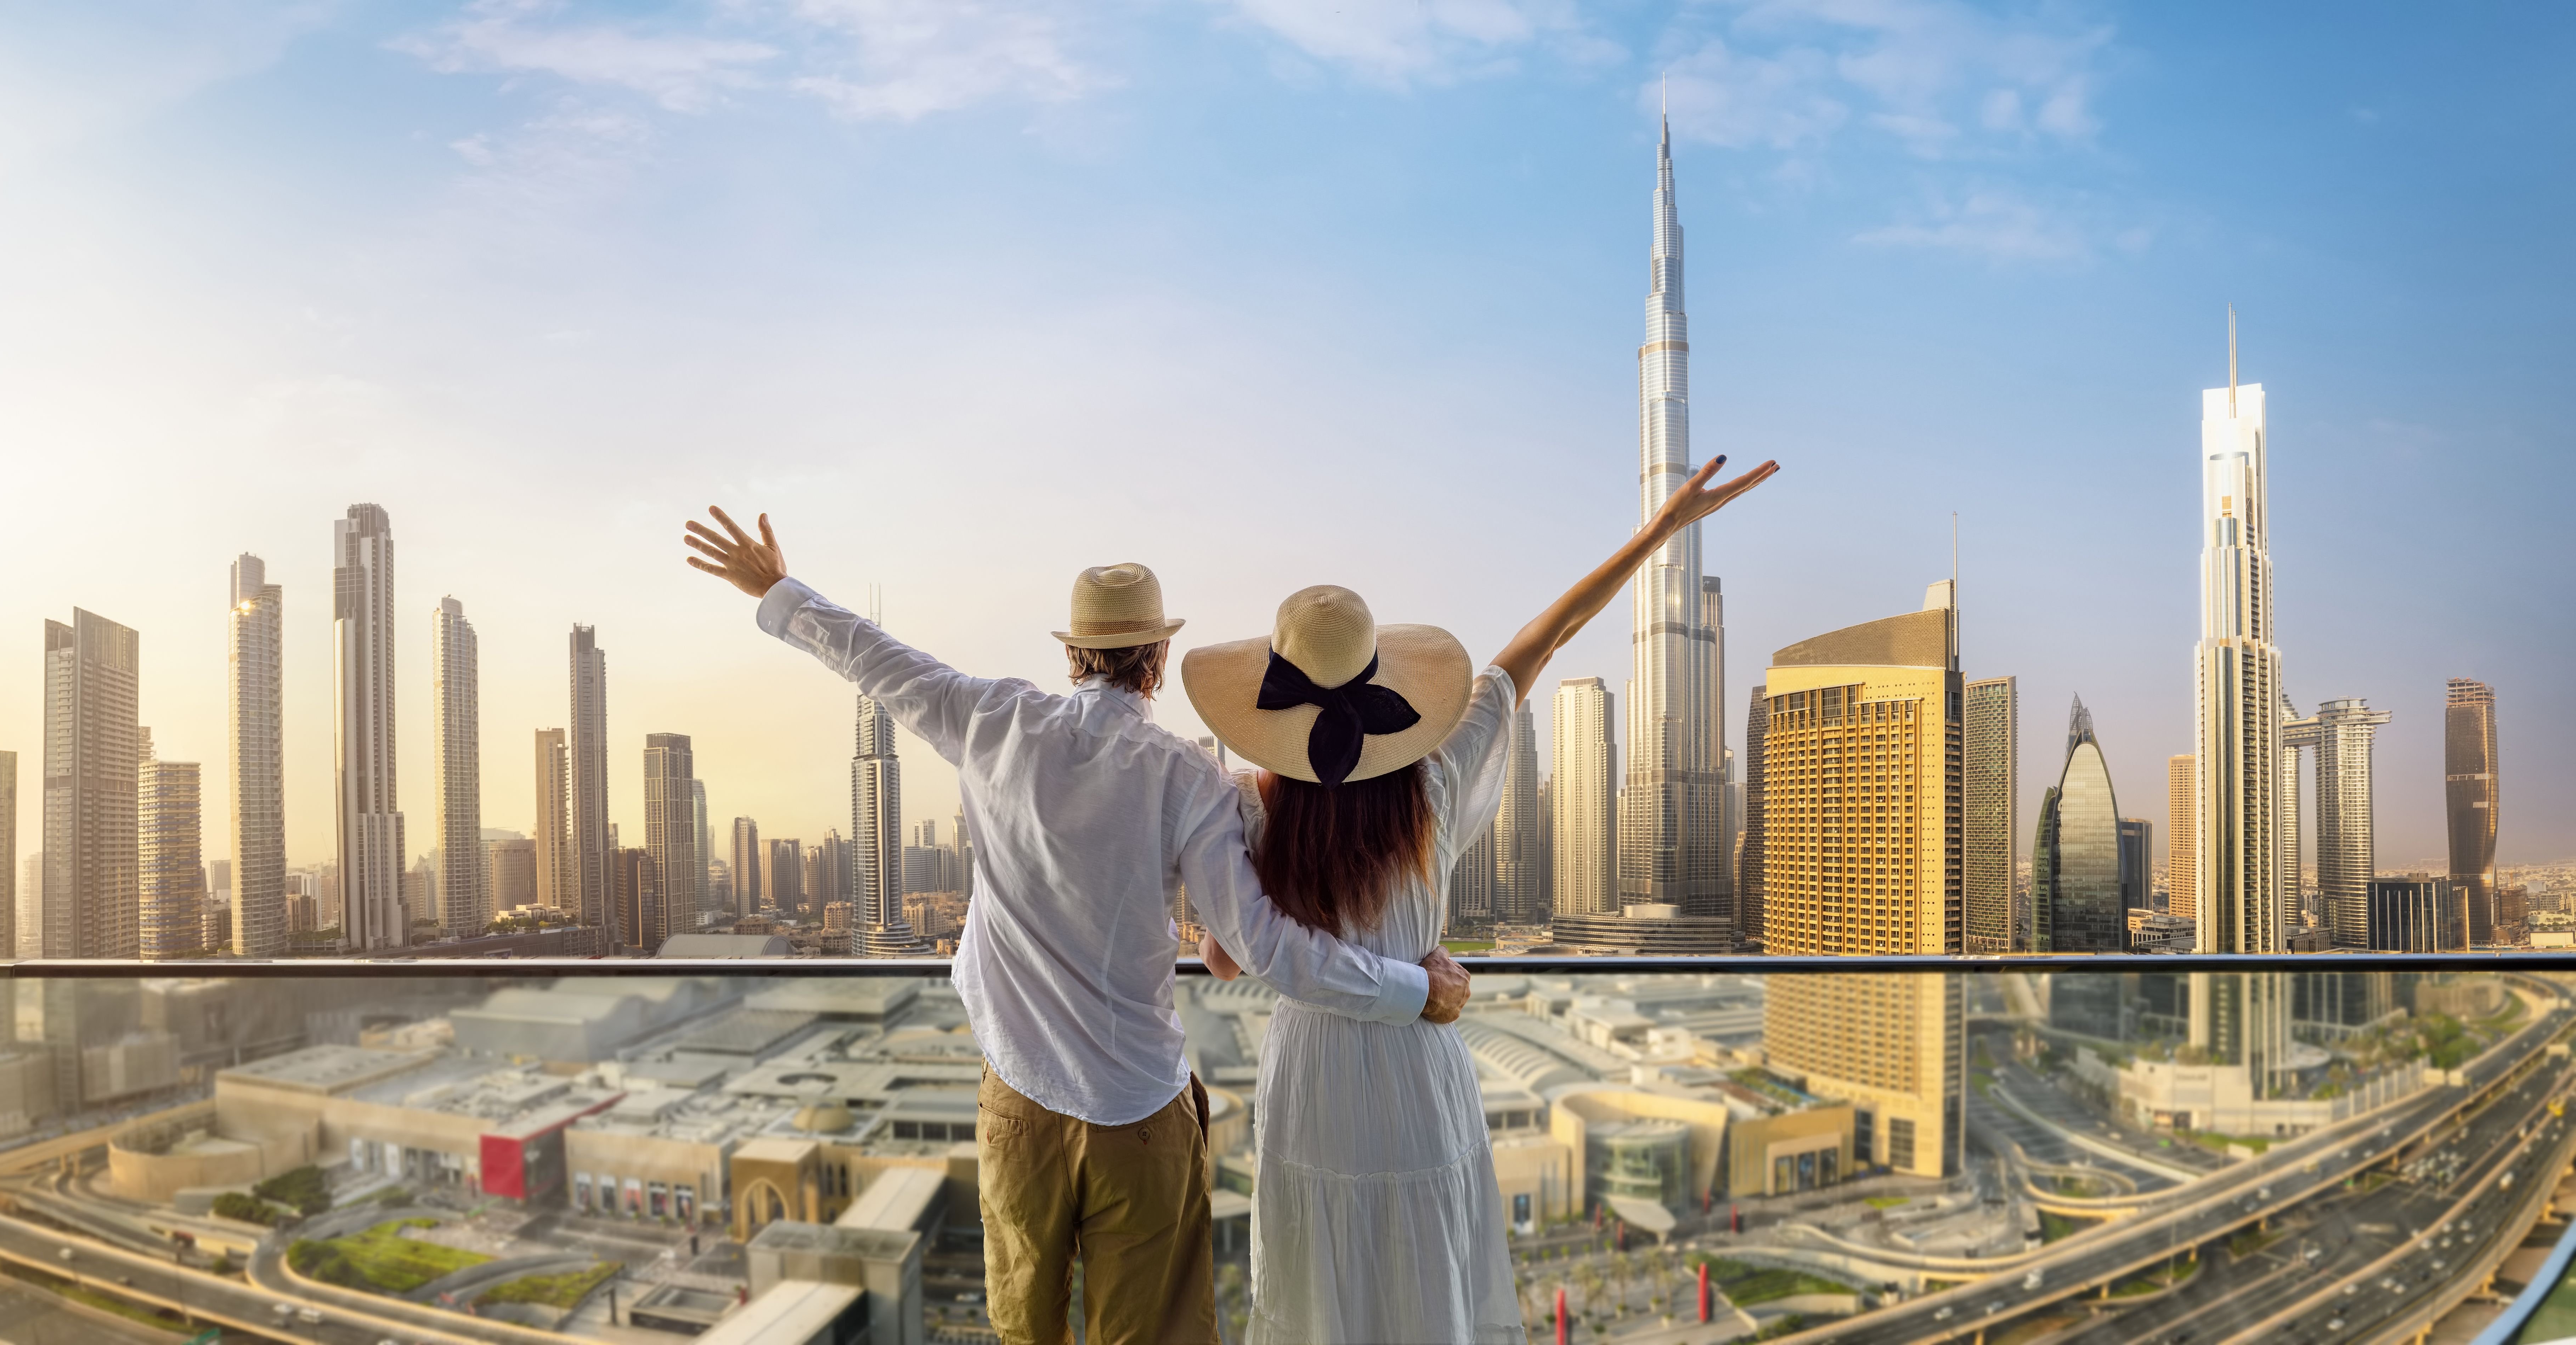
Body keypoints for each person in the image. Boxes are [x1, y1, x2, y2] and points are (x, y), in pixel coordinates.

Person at [681, 510, 1473, 1344]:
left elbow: (874, 658)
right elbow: (1264, 945)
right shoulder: (1186, 776)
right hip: (1139, 1113)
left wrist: (776, 589)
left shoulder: (991, 721)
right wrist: (1415, 990)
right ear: (1158, 660)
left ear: (1072, 655)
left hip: (1018, 1102)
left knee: (1025, 1331)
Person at [1189, 454, 1777, 1344]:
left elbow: (1227, 957)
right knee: (1430, 1287)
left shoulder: (1249, 808)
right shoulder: (1436, 784)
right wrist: (1657, 535)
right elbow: (1544, 640)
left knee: (1321, 1294)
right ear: (1382, 685)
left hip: (1313, 1080)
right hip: (1417, 1068)